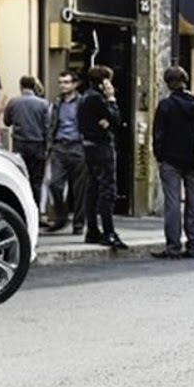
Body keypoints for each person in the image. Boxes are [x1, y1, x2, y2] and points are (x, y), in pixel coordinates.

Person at [152, 66, 194, 259]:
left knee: (172, 202)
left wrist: (160, 156)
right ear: (186, 81)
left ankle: (173, 246)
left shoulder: (166, 105)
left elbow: (158, 134)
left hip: (171, 159)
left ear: (168, 83)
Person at [77, 65, 128, 250]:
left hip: (89, 146)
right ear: (103, 82)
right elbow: (116, 119)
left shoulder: (84, 97)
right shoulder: (98, 99)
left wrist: (108, 120)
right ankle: (108, 231)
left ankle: (92, 229)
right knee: (108, 189)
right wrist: (112, 100)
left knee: (93, 188)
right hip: (102, 147)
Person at [44, 71, 89, 234]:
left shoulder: (82, 102)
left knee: (79, 189)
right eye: (61, 82)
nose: (63, 85)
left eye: (66, 82)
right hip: (59, 147)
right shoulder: (57, 103)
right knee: (54, 184)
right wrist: (49, 145)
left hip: (77, 146)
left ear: (75, 84)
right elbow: (51, 124)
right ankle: (61, 217)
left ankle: (78, 224)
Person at [5, 76, 49, 207]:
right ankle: (35, 210)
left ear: (21, 86)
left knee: (21, 179)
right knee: (36, 181)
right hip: (37, 145)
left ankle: (22, 209)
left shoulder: (13, 102)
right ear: (34, 86)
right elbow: (47, 127)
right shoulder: (43, 104)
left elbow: (6, 122)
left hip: (19, 144)